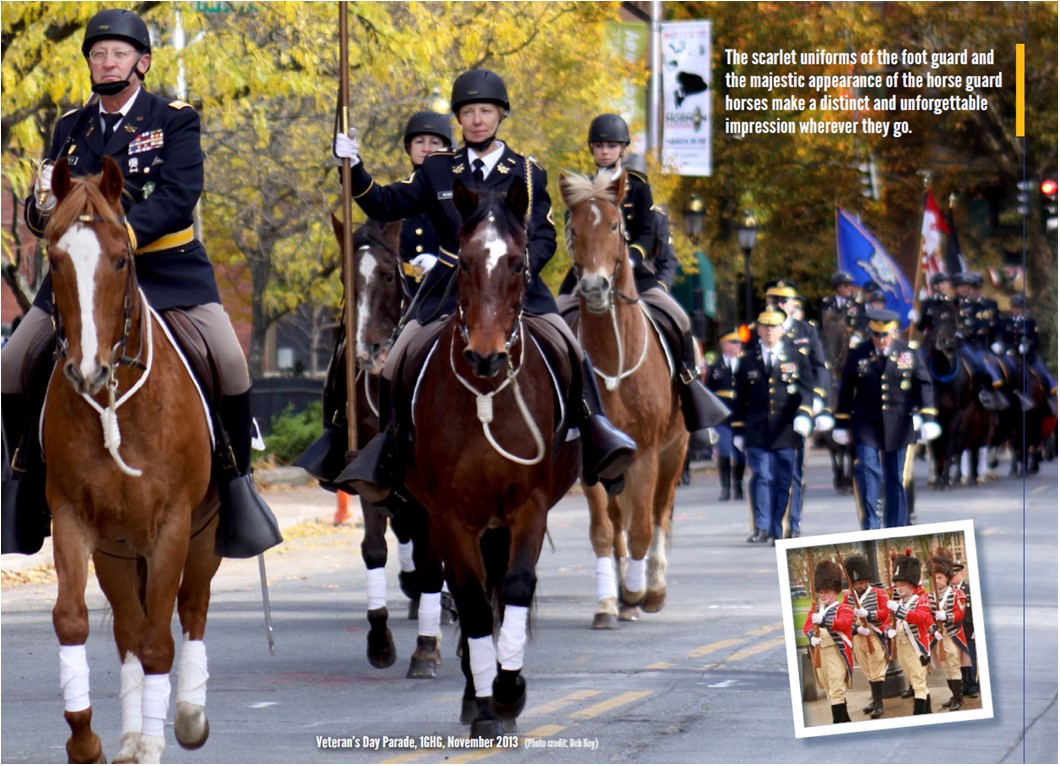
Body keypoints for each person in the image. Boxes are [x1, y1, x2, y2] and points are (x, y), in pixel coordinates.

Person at [1, 8, 280, 559]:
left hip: (166, 270)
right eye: (97, 54)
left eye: (118, 53)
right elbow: (49, 217)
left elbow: (180, 196)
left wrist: (120, 233)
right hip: (82, 279)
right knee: (11, 365)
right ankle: (22, 482)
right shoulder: (68, 128)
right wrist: (39, 212)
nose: (106, 62)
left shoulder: (174, 119)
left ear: (142, 63)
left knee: (230, 359)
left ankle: (235, 486)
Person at [330, 68, 635, 500]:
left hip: (513, 284)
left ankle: (596, 433)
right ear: (458, 119)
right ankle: (388, 449)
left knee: (570, 346)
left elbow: (545, 234)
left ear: (500, 116)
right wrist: (353, 168)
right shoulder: (438, 169)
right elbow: (383, 201)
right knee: (398, 356)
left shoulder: (527, 173)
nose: (476, 120)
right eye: (468, 112)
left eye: (485, 111)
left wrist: (519, 267)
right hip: (449, 285)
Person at [557, 113, 725, 435]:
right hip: (591, 271)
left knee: (679, 317)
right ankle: (561, 404)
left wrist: (633, 258)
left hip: (632, 272)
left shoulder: (636, 186)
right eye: (600, 146)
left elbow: (647, 232)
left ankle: (690, 389)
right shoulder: (581, 188)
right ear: (592, 150)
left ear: (622, 149)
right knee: (553, 319)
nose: (605, 151)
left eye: (611, 145)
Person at [833, 309, 940, 529]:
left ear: (893, 333)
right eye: (876, 335)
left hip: (899, 423)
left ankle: (895, 527)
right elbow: (846, 389)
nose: (881, 340)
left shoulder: (908, 354)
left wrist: (927, 416)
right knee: (868, 471)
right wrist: (841, 422)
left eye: (885, 335)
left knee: (894, 478)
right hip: (866, 423)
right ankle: (871, 524)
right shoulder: (859, 353)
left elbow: (923, 384)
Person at [731, 308, 814, 544]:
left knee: (783, 479)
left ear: (781, 329)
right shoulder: (747, 360)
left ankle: (780, 527)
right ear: (758, 330)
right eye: (765, 326)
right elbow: (739, 397)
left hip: (786, 428)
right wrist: (737, 429)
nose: (769, 331)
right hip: (757, 429)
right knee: (763, 474)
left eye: (773, 326)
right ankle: (763, 526)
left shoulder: (797, 357)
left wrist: (804, 414)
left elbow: (807, 389)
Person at [765, 282, 829, 538]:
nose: (780, 304)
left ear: (793, 305)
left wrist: (818, 402)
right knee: (767, 473)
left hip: (798, 410)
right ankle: (770, 524)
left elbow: (819, 367)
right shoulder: (763, 330)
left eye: (784, 301)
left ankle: (793, 521)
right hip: (769, 414)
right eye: (775, 300)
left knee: (795, 470)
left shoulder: (806, 331)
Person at [395, 110, 454, 295]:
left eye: (434, 143)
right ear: (409, 147)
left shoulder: (459, 197)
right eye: (419, 142)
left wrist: (442, 266)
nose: (426, 148)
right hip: (400, 295)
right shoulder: (395, 196)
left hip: (448, 294)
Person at [803, 559, 855, 724]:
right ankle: (845, 720)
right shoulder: (815, 609)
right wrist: (812, 635)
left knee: (836, 689)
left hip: (836, 652)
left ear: (835, 591)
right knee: (829, 689)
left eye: (826, 591)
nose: (823, 595)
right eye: (821, 592)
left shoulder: (844, 608)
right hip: (821, 653)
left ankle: (838, 723)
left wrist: (824, 621)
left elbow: (844, 624)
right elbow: (806, 626)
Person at [842, 552, 891, 719]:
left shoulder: (878, 593)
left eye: (861, 582)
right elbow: (844, 619)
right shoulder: (848, 597)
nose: (859, 586)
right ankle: (875, 700)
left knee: (877, 670)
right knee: (867, 670)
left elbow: (885, 613)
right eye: (856, 583)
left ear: (866, 580)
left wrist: (869, 614)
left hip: (874, 636)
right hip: (858, 638)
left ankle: (879, 703)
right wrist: (855, 630)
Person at [886, 551, 935, 715]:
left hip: (916, 648)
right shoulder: (897, 603)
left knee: (919, 683)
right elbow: (887, 622)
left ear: (911, 586)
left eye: (902, 585)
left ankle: (919, 716)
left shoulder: (921, 601)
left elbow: (920, 618)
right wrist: (888, 631)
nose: (898, 588)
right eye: (897, 585)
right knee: (915, 684)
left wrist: (899, 610)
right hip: (901, 647)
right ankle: (928, 714)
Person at [953, 272, 1007, 409]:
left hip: (987, 345)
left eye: (976, 287)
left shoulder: (990, 304)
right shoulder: (961, 306)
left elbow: (997, 325)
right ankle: (983, 392)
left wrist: (998, 340)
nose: (973, 291)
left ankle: (1003, 394)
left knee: (1007, 367)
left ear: (981, 288)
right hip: (967, 345)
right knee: (980, 364)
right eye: (970, 287)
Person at [704, 330, 746, 501]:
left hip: (741, 416)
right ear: (724, 345)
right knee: (724, 452)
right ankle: (726, 488)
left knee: (741, 454)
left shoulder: (745, 364)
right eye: (734, 343)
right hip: (723, 417)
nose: (738, 346)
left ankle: (738, 485)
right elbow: (709, 393)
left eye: (738, 343)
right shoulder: (715, 368)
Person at [927, 547, 969, 711]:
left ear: (946, 578)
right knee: (945, 667)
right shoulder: (930, 596)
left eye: (940, 577)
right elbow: (926, 617)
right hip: (938, 636)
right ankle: (954, 695)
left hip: (952, 634)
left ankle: (958, 698)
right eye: (935, 577)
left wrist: (946, 616)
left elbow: (960, 614)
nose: (937, 581)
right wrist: (933, 629)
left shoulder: (957, 594)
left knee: (954, 665)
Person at [1001, 293, 1058, 404]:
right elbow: (1001, 337)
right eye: (1014, 307)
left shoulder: (1029, 322)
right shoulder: (1005, 321)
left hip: (1027, 355)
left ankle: (1051, 396)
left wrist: (1027, 344)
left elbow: (1035, 339)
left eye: (1018, 307)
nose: (1016, 310)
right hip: (1009, 354)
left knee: (1043, 372)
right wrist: (1001, 345)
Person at [950, 561, 980, 700]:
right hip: (955, 631)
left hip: (968, 630)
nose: (953, 577)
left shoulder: (969, 589)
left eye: (955, 574)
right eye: (951, 574)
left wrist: (976, 628)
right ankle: (965, 687)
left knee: (971, 660)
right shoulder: (949, 593)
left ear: (961, 574)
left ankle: (973, 686)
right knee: (960, 660)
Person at [819, 271, 864, 338]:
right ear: (837, 287)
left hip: (851, 340)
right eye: (846, 285)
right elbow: (821, 324)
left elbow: (862, 323)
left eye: (850, 285)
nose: (849, 288)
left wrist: (857, 337)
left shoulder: (857, 304)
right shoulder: (827, 303)